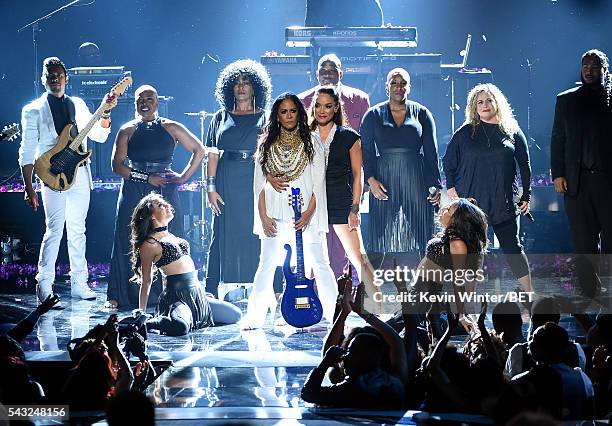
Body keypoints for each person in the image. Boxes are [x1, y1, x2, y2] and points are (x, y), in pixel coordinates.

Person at [18, 56, 118, 305]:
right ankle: (44, 285)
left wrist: (105, 114)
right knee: (54, 230)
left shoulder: (78, 104)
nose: (55, 79)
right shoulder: (33, 111)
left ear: (66, 78)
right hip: (53, 176)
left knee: (77, 230)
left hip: (80, 174)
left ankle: (79, 283)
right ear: (44, 79)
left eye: (59, 75)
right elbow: (27, 150)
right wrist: (29, 186)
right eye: (50, 75)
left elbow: (98, 135)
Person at [105, 85, 205, 309]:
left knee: (170, 238)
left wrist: (182, 177)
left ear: (157, 102)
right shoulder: (127, 130)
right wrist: (146, 178)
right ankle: (120, 295)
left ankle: (173, 293)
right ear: (135, 104)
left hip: (164, 189)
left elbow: (199, 150)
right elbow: (116, 166)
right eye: (140, 99)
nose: (145, 103)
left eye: (149, 99)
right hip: (134, 188)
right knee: (127, 238)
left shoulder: (171, 127)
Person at [245, 92, 337, 328]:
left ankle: (334, 313)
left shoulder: (312, 142)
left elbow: (318, 185)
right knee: (266, 264)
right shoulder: (266, 143)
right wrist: (263, 216)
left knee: (320, 262)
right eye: (283, 111)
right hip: (274, 214)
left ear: (299, 113)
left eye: (293, 111)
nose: (288, 116)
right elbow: (258, 186)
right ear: (277, 114)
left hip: (306, 213)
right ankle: (255, 317)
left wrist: (308, 214)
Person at [443, 83, 534, 295]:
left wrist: (526, 194)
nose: (484, 105)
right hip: (472, 205)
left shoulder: (512, 131)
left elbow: (525, 165)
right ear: (474, 107)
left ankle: (529, 294)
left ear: (497, 103)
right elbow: (448, 162)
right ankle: (467, 299)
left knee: (513, 249)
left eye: (488, 100)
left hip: (502, 202)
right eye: (479, 102)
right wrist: (452, 189)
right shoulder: (465, 133)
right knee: (472, 254)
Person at [297, 54, 370, 280]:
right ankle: (317, 298)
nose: (327, 74)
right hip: (313, 195)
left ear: (341, 72)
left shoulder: (358, 101)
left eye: (332, 69)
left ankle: (372, 300)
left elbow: (360, 161)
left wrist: (356, 203)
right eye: (323, 70)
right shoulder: (302, 104)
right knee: (314, 256)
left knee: (355, 254)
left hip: (343, 191)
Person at [205, 59, 272, 299]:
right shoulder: (219, 117)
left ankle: (263, 288)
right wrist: (210, 188)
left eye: (246, 82)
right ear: (229, 88)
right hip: (226, 177)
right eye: (236, 83)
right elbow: (212, 155)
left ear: (255, 87)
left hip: (256, 179)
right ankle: (212, 289)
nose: (241, 87)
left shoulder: (267, 117)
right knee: (221, 231)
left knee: (258, 232)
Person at [131, 193, 242, 336]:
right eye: (160, 205)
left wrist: (200, 291)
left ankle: (189, 313)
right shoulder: (149, 244)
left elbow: (187, 266)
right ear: (152, 216)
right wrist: (141, 312)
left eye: (164, 203)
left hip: (196, 294)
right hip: (177, 298)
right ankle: (149, 322)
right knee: (180, 327)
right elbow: (146, 281)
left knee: (235, 315)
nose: (166, 205)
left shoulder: (171, 237)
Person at [307, 86, 378, 305]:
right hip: (313, 205)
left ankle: (378, 306)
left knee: (358, 258)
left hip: (341, 203)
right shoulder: (305, 137)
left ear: (336, 108)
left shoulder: (349, 137)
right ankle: (309, 305)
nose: (322, 111)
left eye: (328, 106)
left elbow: (358, 175)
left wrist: (354, 208)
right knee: (311, 263)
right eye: (318, 105)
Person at [551, 49, 612, 297]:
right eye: (585, 65)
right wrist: (558, 174)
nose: (589, 70)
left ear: (604, 70)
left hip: (607, 180)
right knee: (582, 237)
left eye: (595, 66)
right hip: (577, 180)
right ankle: (589, 288)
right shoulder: (566, 100)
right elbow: (558, 139)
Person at [360, 67, 441, 255]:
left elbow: (431, 152)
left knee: (424, 234)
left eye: (403, 83)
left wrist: (434, 184)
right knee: (378, 236)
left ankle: (430, 282)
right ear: (386, 87)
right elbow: (367, 152)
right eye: (394, 83)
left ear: (409, 87)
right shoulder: (372, 115)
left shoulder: (422, 113)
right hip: (384, 179)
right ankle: (372, 283)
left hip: (416, 178)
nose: (398, 86)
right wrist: (371, 180)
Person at [407, 198, 489, 334]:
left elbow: (459, 282)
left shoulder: (457, 243)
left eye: (448, 209)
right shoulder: (449, 236)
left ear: (456, 220)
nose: (443, 209)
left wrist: (462, 316)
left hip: (424, 298)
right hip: (418, 294)